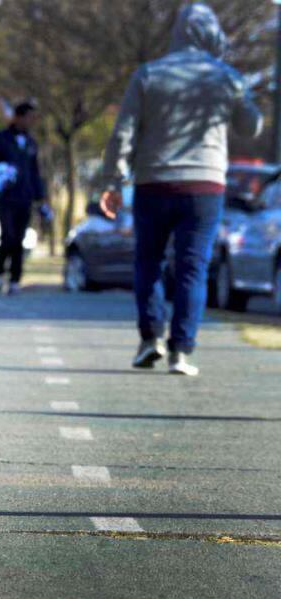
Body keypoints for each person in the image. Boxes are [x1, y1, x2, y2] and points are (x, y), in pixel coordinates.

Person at [101, 3, 262, 377]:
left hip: (153, 182)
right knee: (193, 268)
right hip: (204, 187)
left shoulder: (149, 74)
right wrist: (244, 96)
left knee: (149, 262)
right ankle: (181, 351)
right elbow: (250, 127)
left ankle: (149, 339)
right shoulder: (225, 76)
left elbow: (123, 132)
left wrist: (112, 181)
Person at [0, 101, 52, 295]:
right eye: (29, 117)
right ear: (19, 117)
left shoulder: (31, 142)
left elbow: (35, 172)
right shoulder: (1, 138)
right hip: (6, 197)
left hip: (25, 197)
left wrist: (41, 199)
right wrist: (0, 171)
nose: (31, 121)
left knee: (19, 239)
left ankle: (15, 279)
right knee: (8, 237)